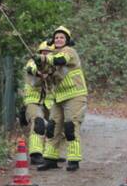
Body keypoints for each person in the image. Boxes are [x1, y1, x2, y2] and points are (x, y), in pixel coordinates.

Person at [36, 26, 88, 172]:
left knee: (70, 127)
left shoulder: (69, 52)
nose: (59, 39)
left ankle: (73, 159)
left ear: (67, 40)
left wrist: (44, 58)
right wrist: (40, 64)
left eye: (62, 37)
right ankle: (50, 159)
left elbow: (60, 60)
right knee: (52, 127)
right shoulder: (51, 56)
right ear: (53, 40)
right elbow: (45, 72)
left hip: (75, 95)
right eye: (57, 37)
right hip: (59, 97)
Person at [21, 41, 55, 165]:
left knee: (56, 125)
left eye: (49, 53)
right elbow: (31, 68)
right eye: (43, 52)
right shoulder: (32, 63)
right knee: (38, 122)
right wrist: (39, 73)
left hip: (49, 102)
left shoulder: (54, 66)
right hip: (33, 100)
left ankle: (51, 154)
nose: (45, 55)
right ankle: (36, 154)